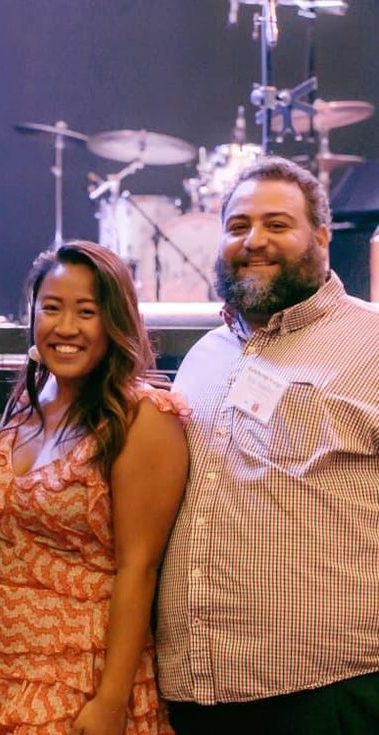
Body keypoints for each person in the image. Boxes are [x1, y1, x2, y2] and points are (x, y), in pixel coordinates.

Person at [156, 157, 379, 734]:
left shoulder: (373, 343)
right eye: (238, 226)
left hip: (329, 688)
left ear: (322, 237)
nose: (254, 240)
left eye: (277, 224)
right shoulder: (202, 357)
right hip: (197, 691)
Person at [0, 241, 188, 734]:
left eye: (86, 311)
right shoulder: (27, 403)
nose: (65, 327)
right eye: (52, 308)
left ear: (114, 321)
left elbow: (139, 568)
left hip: (82, 671)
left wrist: (111, 700)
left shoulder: (143, 417)